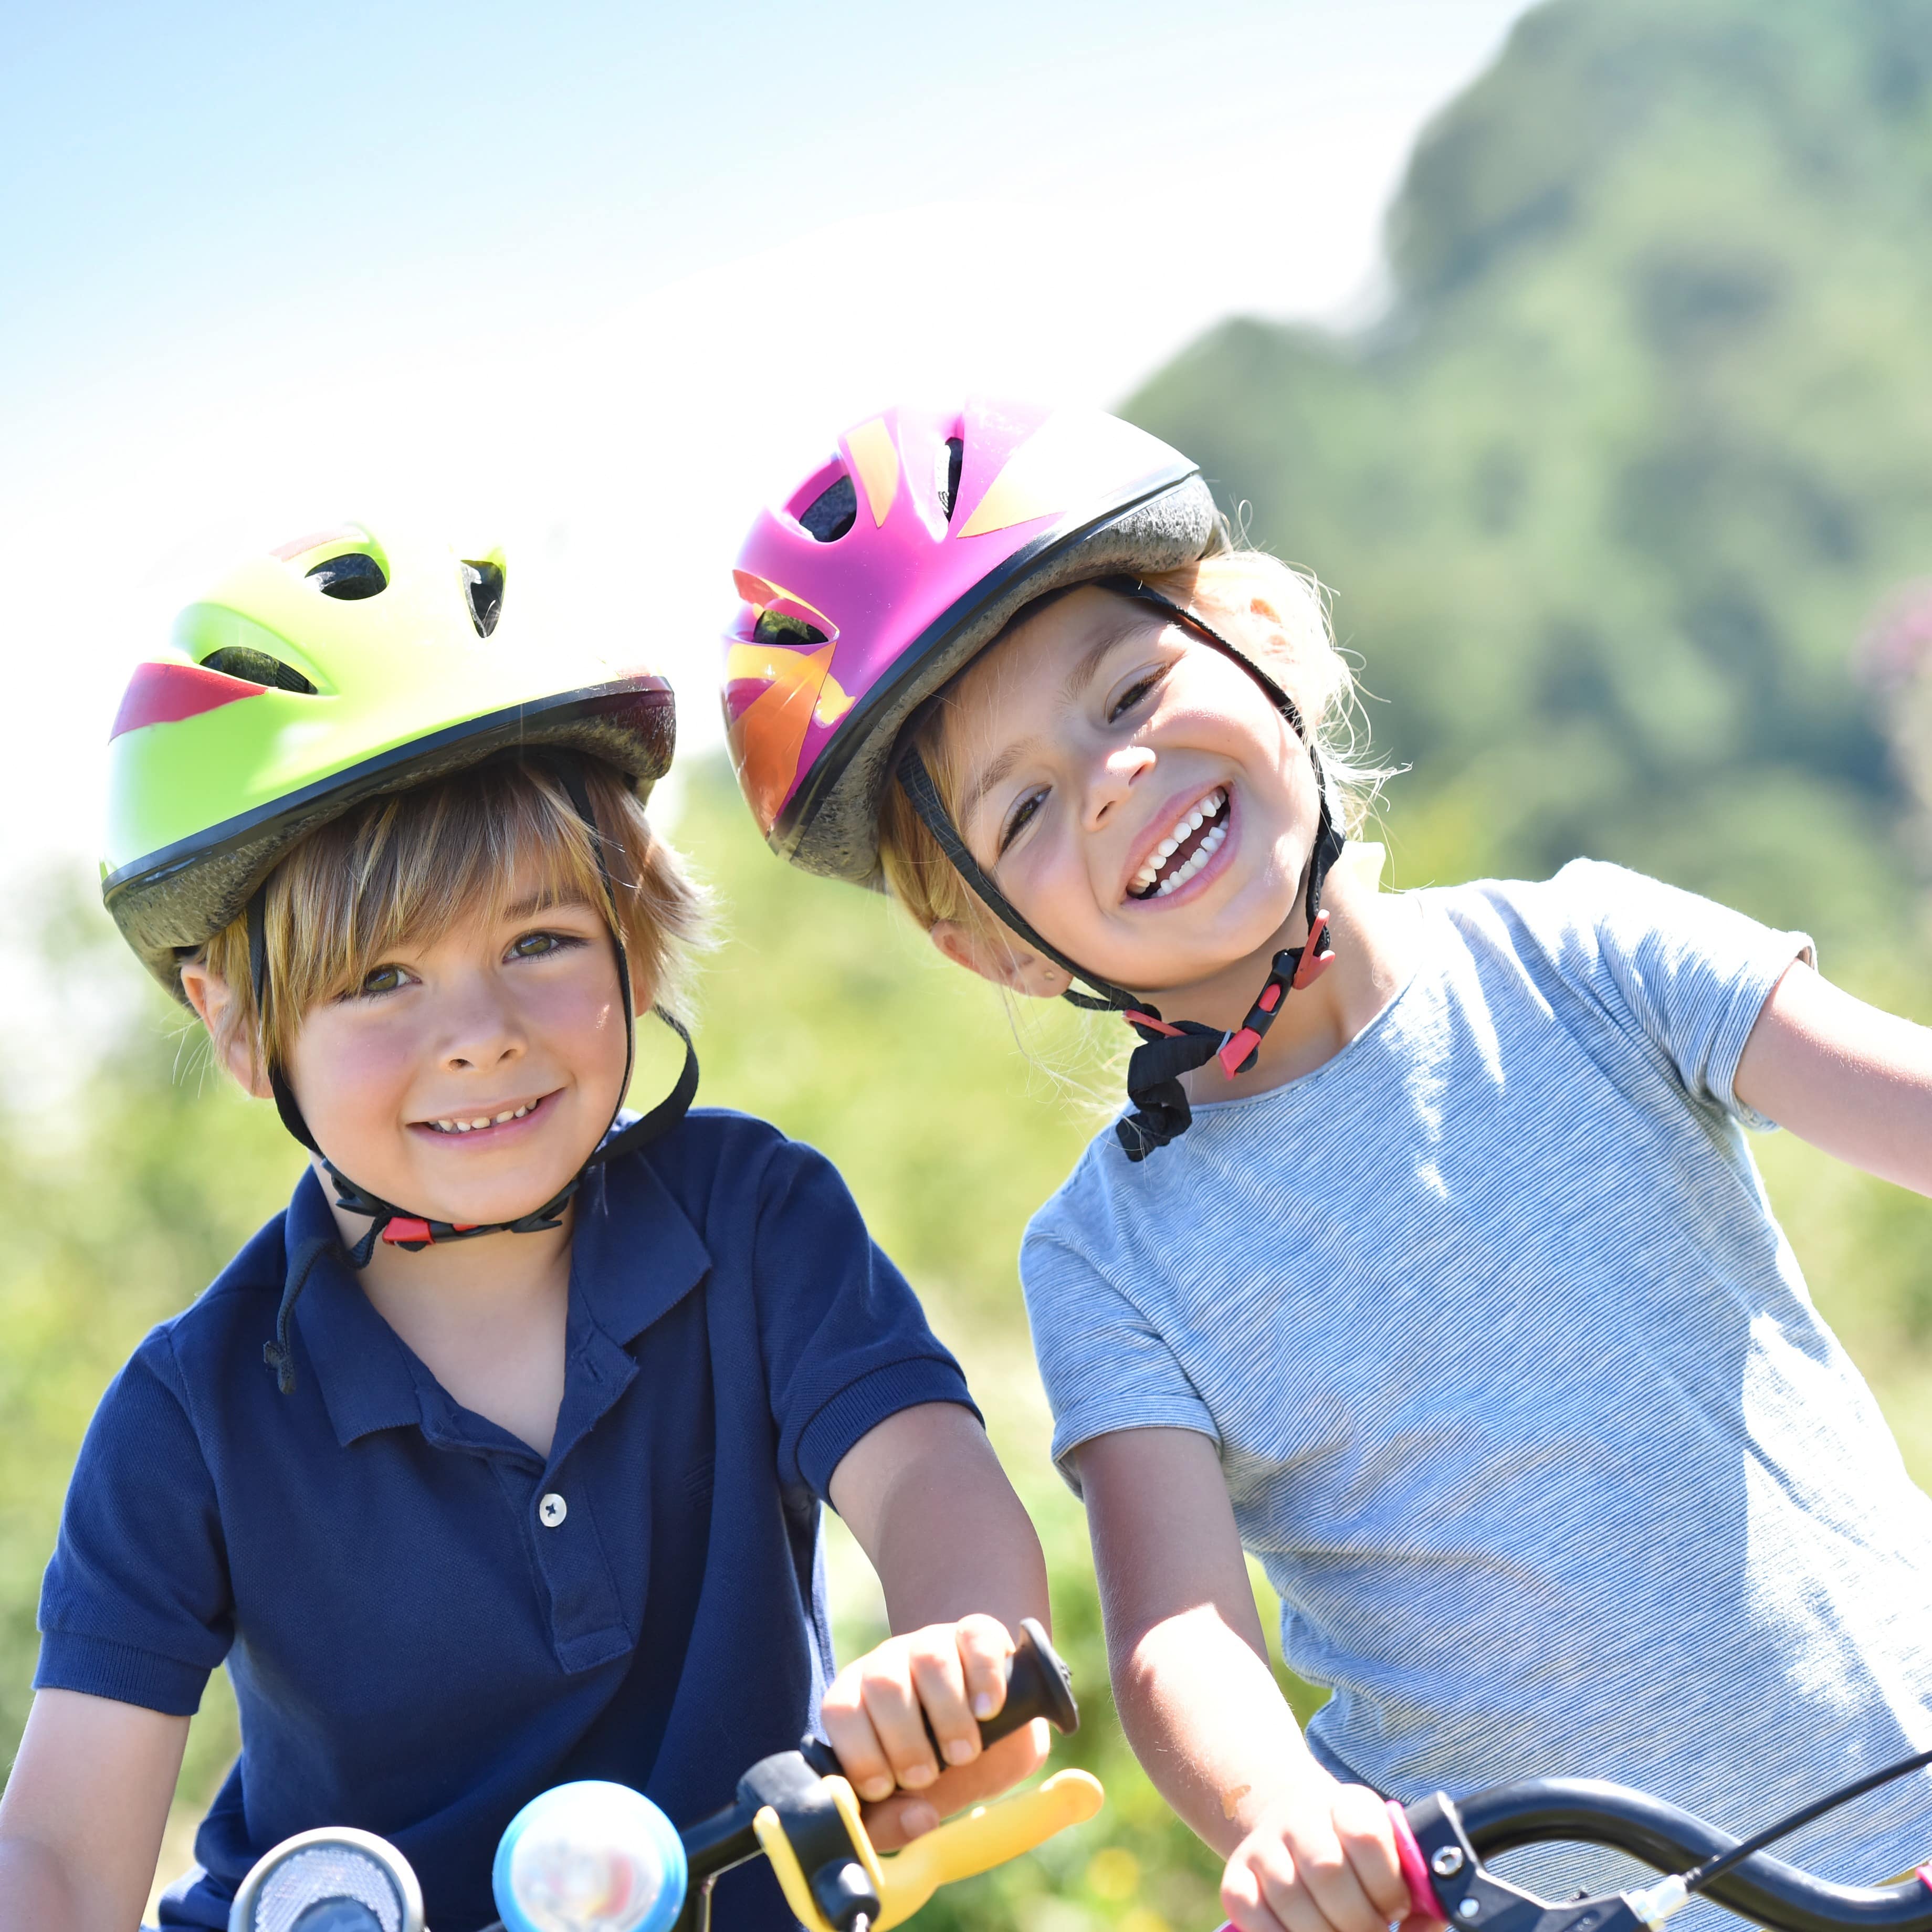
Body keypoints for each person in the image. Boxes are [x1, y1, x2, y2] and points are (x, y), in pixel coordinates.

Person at [719, 401, 1932, 1931]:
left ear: (1268, 637)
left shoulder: (1587, 955)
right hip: (1548, 1905)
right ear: (991, 948)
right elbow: (1179, 1639)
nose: (1111, 777)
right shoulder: (1111, 1258)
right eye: (1023, 807)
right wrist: (1287, 1817)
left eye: (1131, 688)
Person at [0, 527, 1050, 1932]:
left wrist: (951, 1652)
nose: (479, 1040)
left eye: (539, 943)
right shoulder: (195, 1415)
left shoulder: (753, 1227)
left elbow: (927, 1479)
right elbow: (63, 1863)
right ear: (241, 1028)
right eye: (380, 978)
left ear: (634, 935)